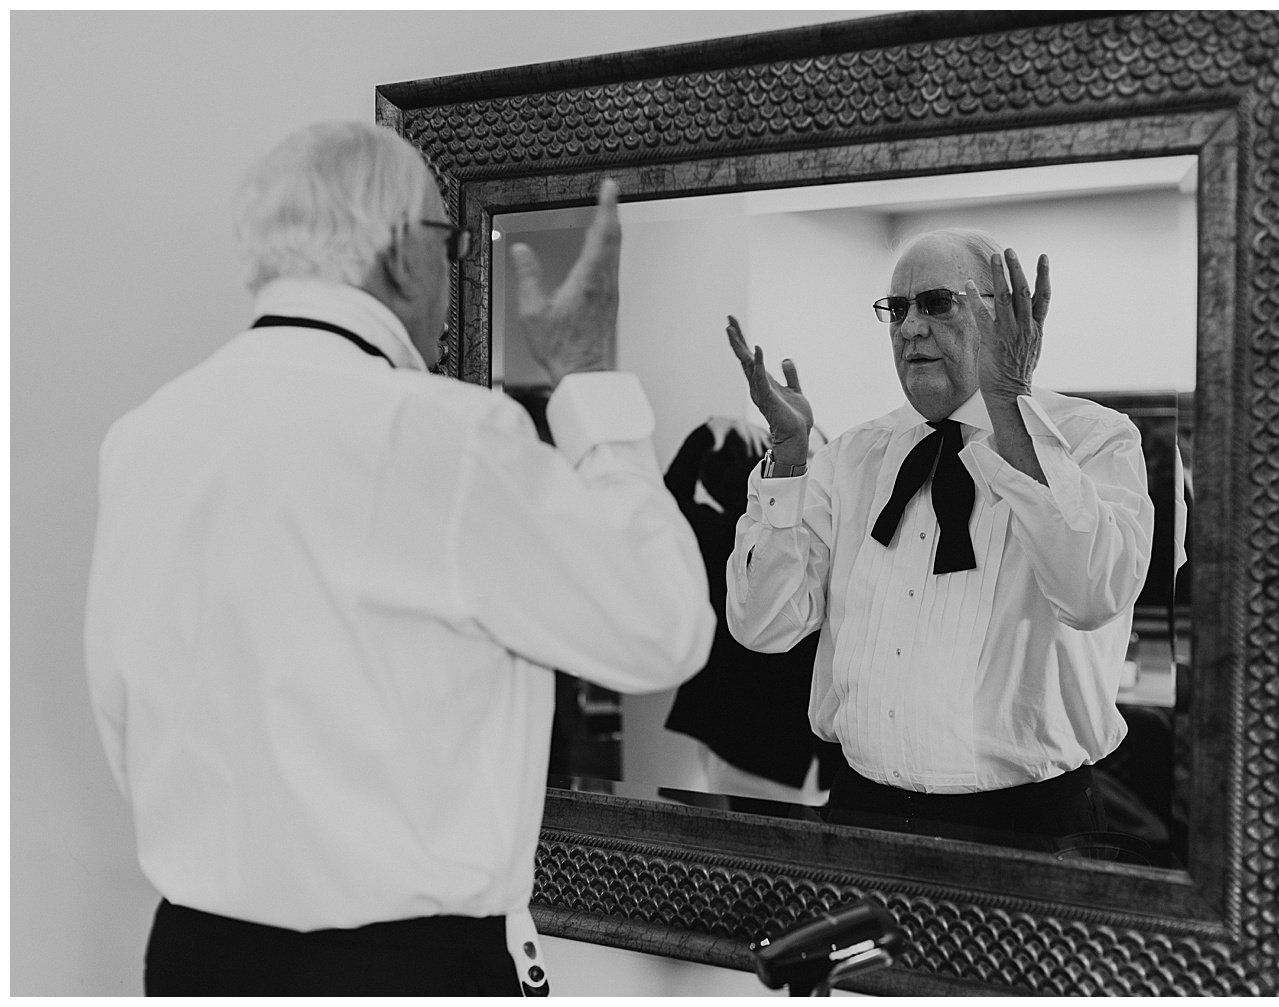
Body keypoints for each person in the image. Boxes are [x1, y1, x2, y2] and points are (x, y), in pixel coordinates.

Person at [84, 121, 714, 995]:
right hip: (395, 970)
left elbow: (124, 715)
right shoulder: (445, 436)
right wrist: (589, 380)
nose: (454, 276)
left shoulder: (145, 435)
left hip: (196, 959)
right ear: (400, 252)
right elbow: (664, 625)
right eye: (452, 245)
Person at [721, 227, 1154, 849]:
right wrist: (789, 458)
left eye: (935, 303)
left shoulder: (1094, 440)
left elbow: (1092, 594)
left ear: (1004, 315)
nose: (909, 328)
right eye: (896, 309)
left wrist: (1010, 404)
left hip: (1027, 828)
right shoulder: (850, 458)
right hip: (859, 815)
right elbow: (762, 625)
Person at [662, 419, 846, 805]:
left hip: (821, 747)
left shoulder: (841, 535)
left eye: (813, 459)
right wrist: (708, 431)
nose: (806, 473)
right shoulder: (723, 537)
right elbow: (667, 502)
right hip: (745, 738)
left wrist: (705, 433)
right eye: (793, 462)